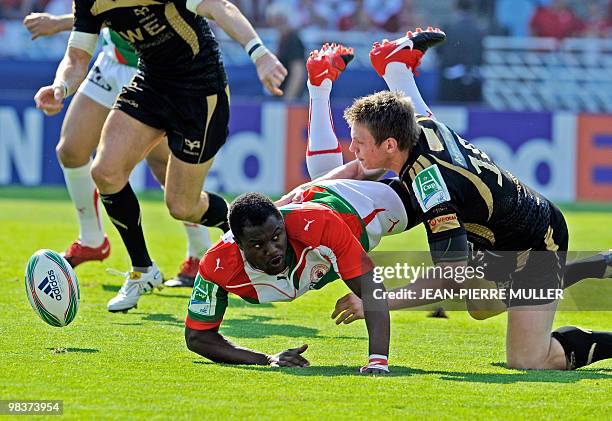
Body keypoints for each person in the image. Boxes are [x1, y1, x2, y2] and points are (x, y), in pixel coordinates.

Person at [309, 27, 612, 370]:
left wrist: (378, 300)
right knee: (481, 307)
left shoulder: (433, 189)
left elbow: (450, 279)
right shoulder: (419, 126)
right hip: (493, 236)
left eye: (359, 143)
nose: (353, 150)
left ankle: (571, 289)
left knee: (527, 360)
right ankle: (591, 267)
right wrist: (396, 72)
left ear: (390, 145)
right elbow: (410, 105)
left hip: (537, 242)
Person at [33, 0, 287, 312]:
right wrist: (60, 87)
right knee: (105, 171)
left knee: (182, 206)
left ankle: (236, 224)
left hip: (199, 87)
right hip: (150, 82)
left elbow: (220, 6)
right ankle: (143, 270)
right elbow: (76, 58)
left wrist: (259, 54)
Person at [185, 44, 393, 373]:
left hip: (360, 213)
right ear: (236, 244)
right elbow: (198, 337)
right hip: (314, 196)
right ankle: (322, 84)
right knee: (359, 167)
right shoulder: (217, 264)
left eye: (274, 237)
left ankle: (397, 72)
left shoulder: (320, 224)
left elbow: (372, 288)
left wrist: (377, 362)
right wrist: (266, 359)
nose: (272, 250)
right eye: (257, 244)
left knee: (411, 162)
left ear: (281, 226)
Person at [24, 12, 211, 290]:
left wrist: (60, 23)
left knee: (165, 168)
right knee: (71, 149)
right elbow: (98, 12)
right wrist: (60, 84)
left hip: (151, 71)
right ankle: (92, 240)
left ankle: (200, 253)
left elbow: (133, 11)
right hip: (111, 62)